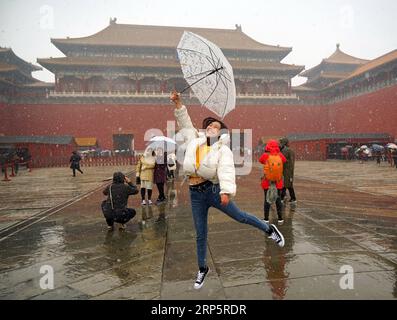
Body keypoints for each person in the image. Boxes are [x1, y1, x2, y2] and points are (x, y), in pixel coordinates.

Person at [170, 90, 285, 290]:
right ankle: (202, 268)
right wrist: (179, 103)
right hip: (195, 193)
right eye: (210, 126)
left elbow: (226, 170)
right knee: (200, 232)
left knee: (240, 216)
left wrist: (225, 191)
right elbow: (185, 123)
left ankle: (269, 230)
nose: (212, 128)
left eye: (216, 127)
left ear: (220, 134)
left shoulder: (222, 150)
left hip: (212, 191)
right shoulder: (194, 140)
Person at [259, 140, 287, 224]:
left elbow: (261, 160)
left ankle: (266, 219)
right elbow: (285, 161)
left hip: (267, 182)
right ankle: (280, 219)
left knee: (267, 199)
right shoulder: (280, 155)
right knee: (278, 200)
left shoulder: (265, 155)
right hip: (278, 182)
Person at [279, 137, 297, 204]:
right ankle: (291, 198)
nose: (280, 144)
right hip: (285, 170)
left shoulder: (288, 151)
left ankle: (284, 198)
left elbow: (290, 162)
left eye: (281, 142)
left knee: (286, 184)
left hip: (287, 170)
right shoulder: (284, 150)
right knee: (287, 184)